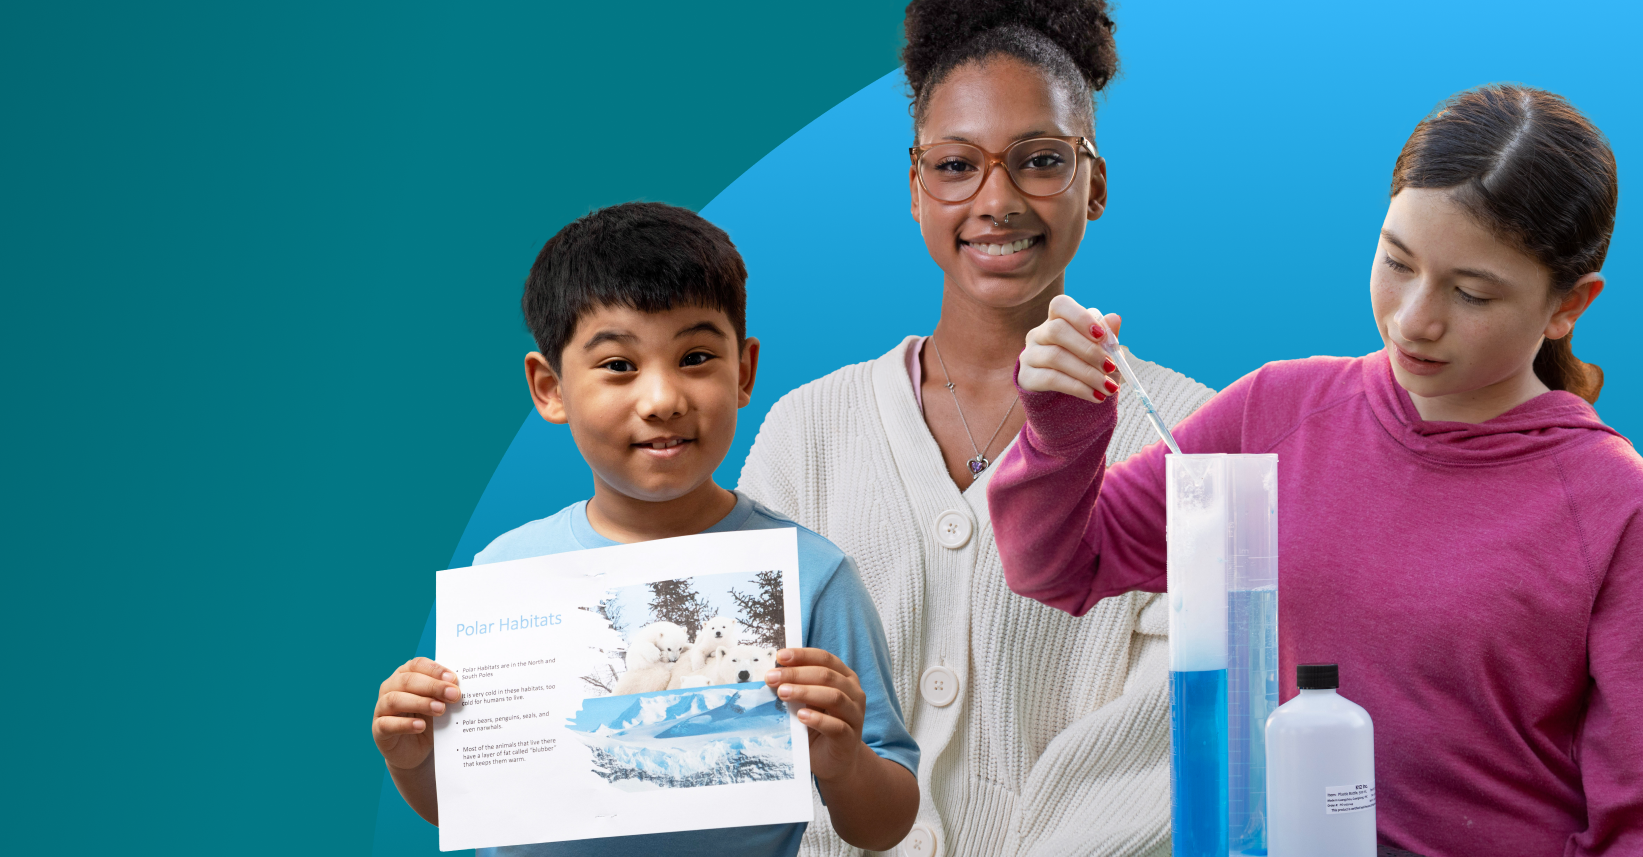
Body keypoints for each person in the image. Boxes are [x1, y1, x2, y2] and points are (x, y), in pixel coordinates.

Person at [991, 84, 1639, 857]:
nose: (1414, 318)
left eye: (1471, 293)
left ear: (1570, 305)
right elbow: (1060, 564)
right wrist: (1063, 431)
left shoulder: (1611, 504)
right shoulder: (1277, 411)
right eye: (1397, 261)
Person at [739, 1, 1211, 853]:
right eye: (956, 165)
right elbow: (753, 712)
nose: (996, 200)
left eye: (1038, 161)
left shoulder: (1187, 435)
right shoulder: (806, 431)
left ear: (1093, 183)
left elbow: (1169, 741)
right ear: (916, 189)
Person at [370, 202, 921, 856]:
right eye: (618, 365)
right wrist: (410, 757)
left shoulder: (813, 574)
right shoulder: (501, 574)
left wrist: (844, 757)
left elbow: (885, 822)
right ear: (550, 388)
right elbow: (473, 803)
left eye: (694, 356)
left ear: (743, 371)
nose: (662, 399)